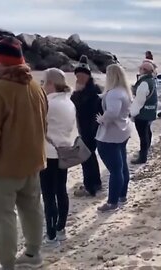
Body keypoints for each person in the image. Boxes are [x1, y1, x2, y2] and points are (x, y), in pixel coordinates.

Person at [0, 37, 46, 269]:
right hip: (32, 163)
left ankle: (8, 264)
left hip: (3, 170)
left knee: (2, 217)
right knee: (32, 209)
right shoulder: (36, 87)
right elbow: (43, 125)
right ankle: (33, 254)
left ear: (0, 61)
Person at [40, 68, 77, 248]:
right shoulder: (69, 102)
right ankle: (61, 230)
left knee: (48, 195)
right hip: (65, 150)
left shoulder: (48, 103)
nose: (41, 85)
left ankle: (51, 236)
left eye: (43, 82)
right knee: (61, 191)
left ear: (51, 83)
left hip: (49, 153)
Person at [95, 64, 132, 212]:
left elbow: (112, 112)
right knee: (122, 165)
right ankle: (122, 195)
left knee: (115, 169)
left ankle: (112, 202)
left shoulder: (114, 93)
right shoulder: (125, 91)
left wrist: (102, 119)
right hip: (123, 131)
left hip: (111, 134)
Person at [71, 55, 103, 197]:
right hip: (86, 128)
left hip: (92, 128)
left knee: (85, 157)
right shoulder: (82, 89)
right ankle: (96, 183)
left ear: (88, 76)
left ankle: (90, 187)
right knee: (90, 157)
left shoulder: (93, 90)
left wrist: (77, 93)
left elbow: (84, 107)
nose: (79, 78)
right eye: (77, 75)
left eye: (82, 75)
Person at [130, 61, 158, 164]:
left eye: (140, 68)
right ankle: (146, 150)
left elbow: (139, 101)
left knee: (143, 135)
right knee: (147, 132)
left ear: (144, 71)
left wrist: (133, 113)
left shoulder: (144, 83)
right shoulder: (151, 80)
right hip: (150, 111)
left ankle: (143, 156)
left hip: (143, 113)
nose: (139, 70)